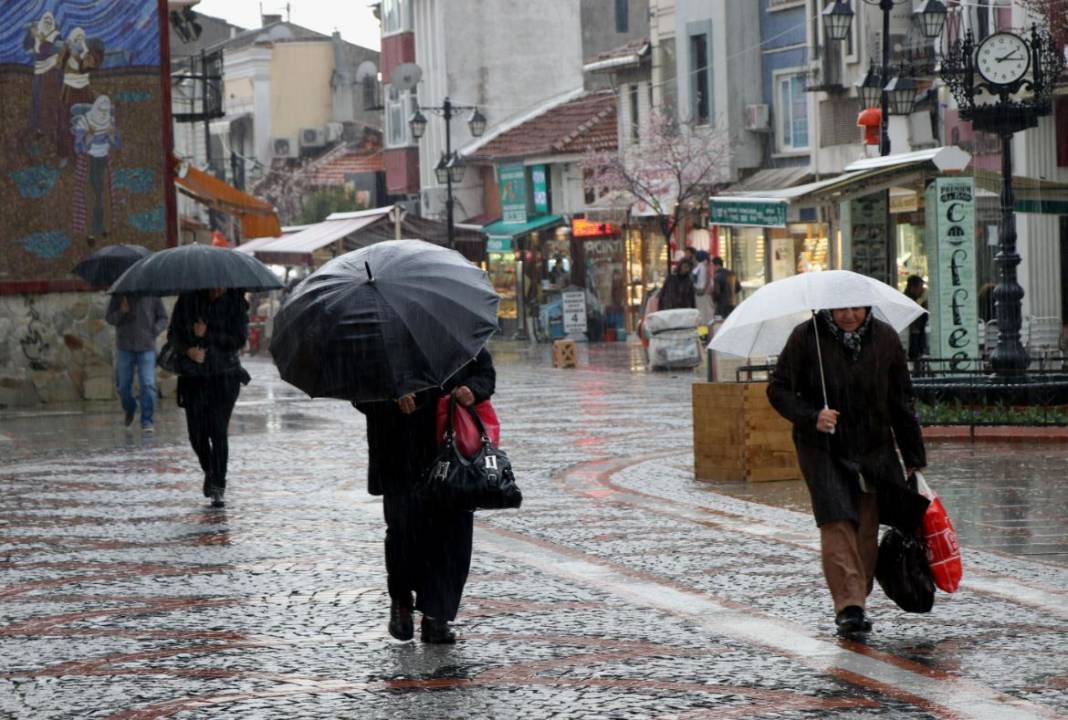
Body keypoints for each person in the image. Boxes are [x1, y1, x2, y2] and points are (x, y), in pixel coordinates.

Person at [767, 307, 929, 637]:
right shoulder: (806, 336)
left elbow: (901, 399)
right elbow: (778, 388)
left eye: (856, 308)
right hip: (822, 447)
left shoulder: (884, 338)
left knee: (866, 525)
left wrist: (913, 454)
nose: (849, 315)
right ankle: (849, 607)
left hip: (872, 446)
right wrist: (812, 415)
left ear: (868, 307)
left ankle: (858, 592)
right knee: (836, 519)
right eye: (842, 308)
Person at [355, 349, 496, 644]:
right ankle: (402, 603)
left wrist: (474, 389)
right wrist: (391, 398)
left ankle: (437, 616)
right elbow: (360, 390)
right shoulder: (379, 338)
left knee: (453, 534)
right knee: (404, 532)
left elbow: (485, 373)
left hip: (451, 451)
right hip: (399, 455)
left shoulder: (454, 331)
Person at [167, 288, 250, 508]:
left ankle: (218, 486)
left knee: (218, 430)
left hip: (225, 375)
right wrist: (188, 351)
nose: (217, 288)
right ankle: (210, 470)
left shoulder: (235, 302)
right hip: (194, 377)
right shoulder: (188, 299)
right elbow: (173, 335)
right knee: (197, 434)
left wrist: (209, 334)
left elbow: (239, 340)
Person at [105, 293, 168, 433]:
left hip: (146, 347)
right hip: (125, 347)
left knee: (148, 384)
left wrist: (154, 330)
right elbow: (109, 318)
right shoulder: (119, 295)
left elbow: (163, 317)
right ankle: (130, 408)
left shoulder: (152, 293)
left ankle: (147, 420)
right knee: (123, 386)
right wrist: (122, 312)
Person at [903, 275, 928, 368]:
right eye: (920, 287)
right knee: (914, 361)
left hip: (919, 336)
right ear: (912, 288)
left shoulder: (920, 300)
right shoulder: (907, 300)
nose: (922, 290)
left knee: (919, 360)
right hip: (911, 337)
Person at [692, 250, 713, 327]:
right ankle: (708, 334)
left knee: (702, 316)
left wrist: (699, 290)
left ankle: (703, 335)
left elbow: (699, 282)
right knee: (707, 314)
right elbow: (707, 281)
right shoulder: (705, 266)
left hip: (700, 293)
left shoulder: (699, 267)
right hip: (705, 293)